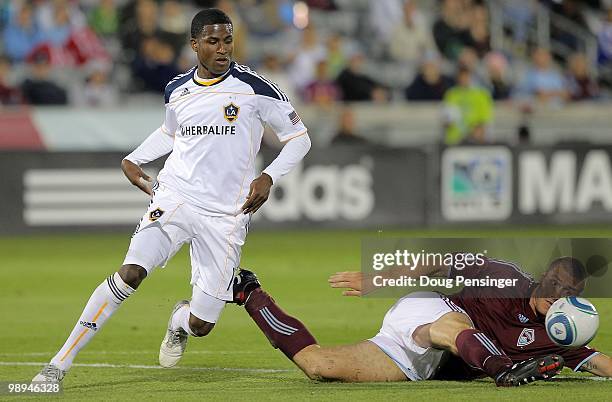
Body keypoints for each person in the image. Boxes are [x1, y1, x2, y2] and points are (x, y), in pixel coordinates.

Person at [33, 8, 311, 383]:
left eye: (227, 40)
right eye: (213, 42)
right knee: (130, 272)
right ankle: (58, 364)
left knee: (202, 324)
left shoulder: (255, 88)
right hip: (175, 196)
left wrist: (269, 176)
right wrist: (134, 159)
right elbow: (170, 132)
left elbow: (299, 138)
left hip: (226, 215)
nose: (222, 49)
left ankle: (179, 320)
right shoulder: (176, 89)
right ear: (195, 44)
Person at [231, 256, 612, 385]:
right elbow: (437, 263)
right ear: (543, 274)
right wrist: (377, 279)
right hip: (429, 310)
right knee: (454, 327)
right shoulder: (503, 276)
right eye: (552, 281)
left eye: (565, 290)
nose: (554, 291)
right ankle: (500, 371)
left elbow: (601, 364)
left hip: (431, 359)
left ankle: (249, 292)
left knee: (318, 367)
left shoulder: (560, 335)